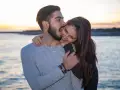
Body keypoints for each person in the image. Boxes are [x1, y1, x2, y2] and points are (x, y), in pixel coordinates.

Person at [21, 5, 82, 90]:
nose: (64, 23)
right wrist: (63, 68)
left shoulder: (69, 46)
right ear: (45, 24)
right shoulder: (28, 51)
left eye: (63, 19)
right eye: (58, 19)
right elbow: (36, 85)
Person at [32, 17, 98, 90]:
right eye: (66, 31)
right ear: (65, 25)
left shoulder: (84, 49)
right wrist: (39, 38)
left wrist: (66, 45)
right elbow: (49, 37)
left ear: (77, 40)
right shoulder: (60, 35)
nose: (65, 37)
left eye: (71, 37)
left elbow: (79, 74)